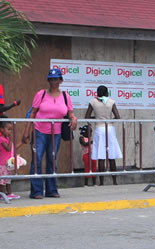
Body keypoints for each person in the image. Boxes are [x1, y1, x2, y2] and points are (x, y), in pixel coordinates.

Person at [22, 68, 78, 199]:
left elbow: (70, 113)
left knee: (52, 160)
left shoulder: (65, 96)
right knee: (37, 159)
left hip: (56, 133)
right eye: (51, 79)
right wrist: (26, 131)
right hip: (40, 132)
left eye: (56, 79)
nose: (54, 81)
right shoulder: (41, 94)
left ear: (60, 81)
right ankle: (36, 191)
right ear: (48, 80)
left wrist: (74, 118)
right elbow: (33, 113)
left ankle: (51, 189)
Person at [85, 85, 122, 185]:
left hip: (99, 129)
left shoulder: (92, 102)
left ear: (97, 93)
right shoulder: (111, 101)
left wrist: (96, 118)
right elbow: (118, 117)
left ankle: (101, 182)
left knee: (101, 156)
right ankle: (115, 181)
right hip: (109, 128)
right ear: (107, 93)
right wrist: (109, 120)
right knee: (111, 156)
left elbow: (86, 116)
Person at [0, 117, 20, 199]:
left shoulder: (7, 138)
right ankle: (2, 194)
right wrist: (11, 140)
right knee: (3, 180)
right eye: (8, 129)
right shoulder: (1, 139)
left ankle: (9, 193)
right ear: (1, 129)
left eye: (11, 129)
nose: (10, 131)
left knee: (8, 179)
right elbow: (7, 148)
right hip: (2, 163)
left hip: (8, 162)